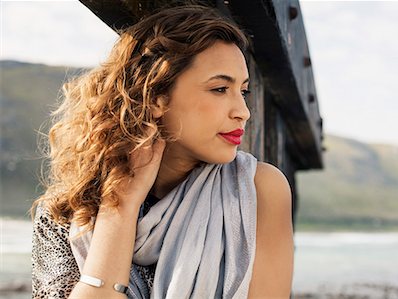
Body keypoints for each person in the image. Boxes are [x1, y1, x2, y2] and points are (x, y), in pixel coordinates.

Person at [31, 4, 293, 299]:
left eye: (243, 91)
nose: (243, 112)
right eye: (220, 89)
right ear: (155, 96)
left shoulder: (260, 190)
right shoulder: (67, 210)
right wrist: (120, 209)